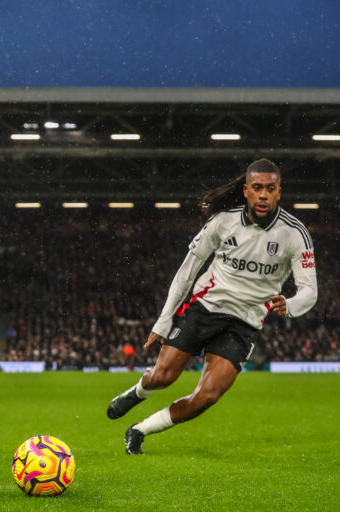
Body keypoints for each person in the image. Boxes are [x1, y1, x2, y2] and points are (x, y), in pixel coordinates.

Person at [107, 159, 318, 454]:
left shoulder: (294, 234)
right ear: (246, 190)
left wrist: (291, 304)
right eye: (257, 188)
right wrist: (163, 321)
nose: (263, 195)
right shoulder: (223, 221)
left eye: (270, 189)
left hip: (244, 324)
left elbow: (309, 290)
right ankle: (138, 391)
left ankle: (139, 430)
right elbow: (187, 271)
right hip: (204, 307)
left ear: (279, 192)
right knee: (163, 377)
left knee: (207, 396)